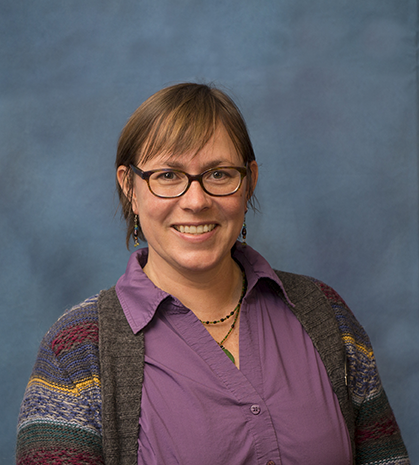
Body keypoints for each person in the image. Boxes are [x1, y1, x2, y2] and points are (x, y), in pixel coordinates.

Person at [16, 83, 410, 465]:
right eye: (168, 175)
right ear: (130, 188)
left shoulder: (326, 313)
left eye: (219, 174)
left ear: (250, 180)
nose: (196, 200)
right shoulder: (75, 352)